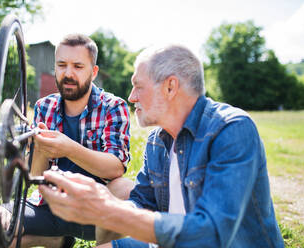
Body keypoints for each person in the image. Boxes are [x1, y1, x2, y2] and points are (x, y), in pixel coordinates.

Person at [39, 44, 285, 248]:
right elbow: (142, 202)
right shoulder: (157, 141)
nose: (132, 97)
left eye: (139, 86)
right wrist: (99, 201)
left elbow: (212, 235)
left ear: (170, 87)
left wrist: (108, 211)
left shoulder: (231, 129)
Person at [0, 34, 134, 248]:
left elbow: (115, 168)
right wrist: (39, 149)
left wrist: (69, 149)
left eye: (78, 66)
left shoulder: (114, 106)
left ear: (93, 71)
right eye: (62, 65)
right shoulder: (44, 106)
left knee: (125, 190)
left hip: (96, 211)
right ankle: (56, 239)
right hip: (50, 205)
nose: (68, 74)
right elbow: (35, 175)